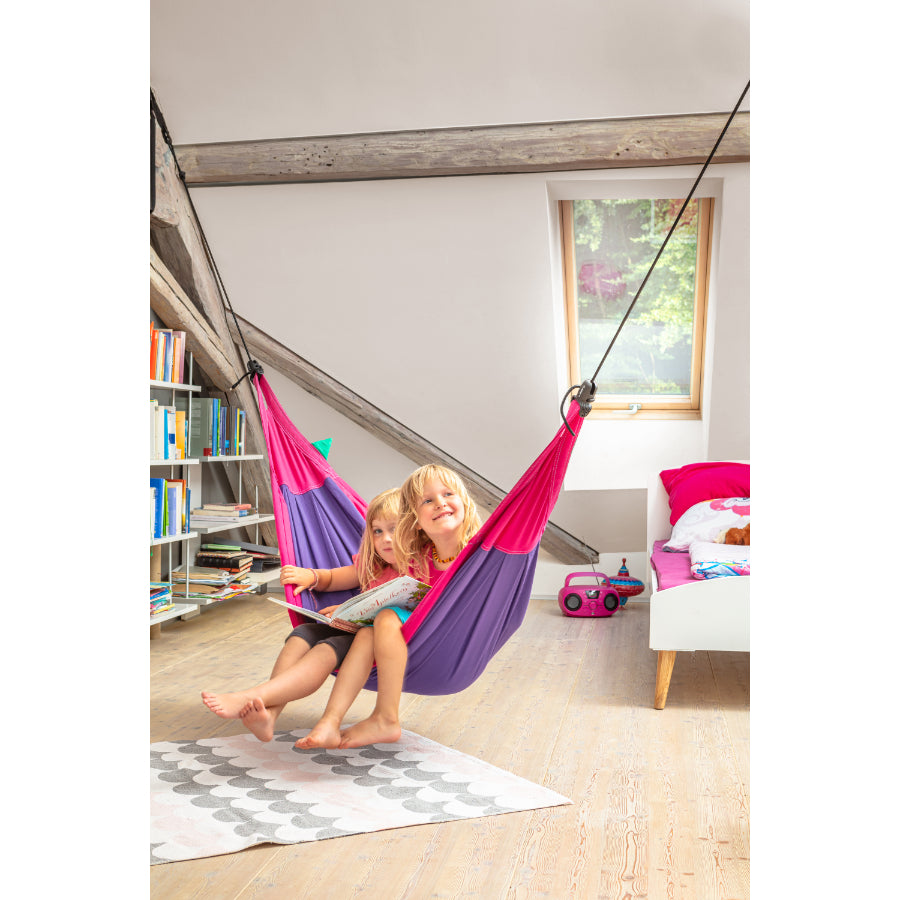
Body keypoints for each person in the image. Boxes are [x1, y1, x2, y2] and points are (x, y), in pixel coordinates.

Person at [295, 464, 481, 750]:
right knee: (374, 626)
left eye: (447, 494)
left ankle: (385, 717)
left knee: (385, 617)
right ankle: (336, 720)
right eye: (427, 501)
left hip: (453, 640)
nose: (440, 503)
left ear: (464, 503)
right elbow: (385, 589)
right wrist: (347, 606)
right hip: (410, 638)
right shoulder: (419, 558)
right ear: (416, 522)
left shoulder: (480, 555)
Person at [200, 488, 402, 741]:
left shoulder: (416, 570)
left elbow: (405, 613)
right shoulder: (372, 563)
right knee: (302, 633)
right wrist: (313, 577)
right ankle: (270, 715)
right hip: (349, 625)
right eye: (377, 531)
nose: (385, 539)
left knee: (325, 649)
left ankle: (253, 695)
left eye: (394, 529)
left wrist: (348, 613)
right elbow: (335, 578)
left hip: (375, 641)